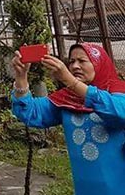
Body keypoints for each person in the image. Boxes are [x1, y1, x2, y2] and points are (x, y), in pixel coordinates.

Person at [11, 43, 125, 195]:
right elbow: (30, 112)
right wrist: (21, 77)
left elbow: (118, 113)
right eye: (71, 61)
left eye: (82, 61)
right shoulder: (67, 99)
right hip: (86, 186)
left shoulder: (118, 93)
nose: (75, 66)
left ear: (99, 64)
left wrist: (71, 82)